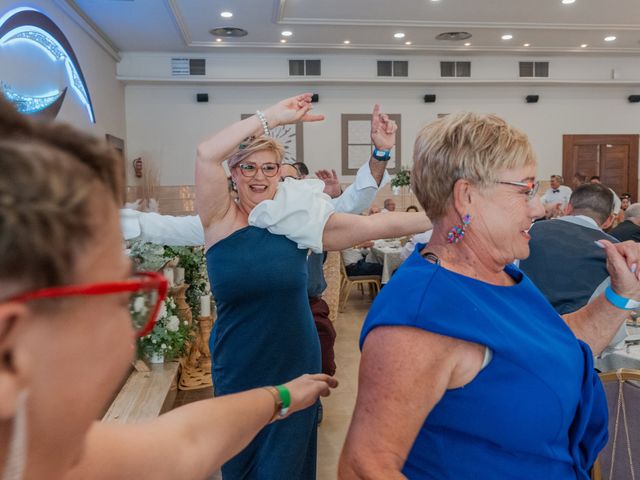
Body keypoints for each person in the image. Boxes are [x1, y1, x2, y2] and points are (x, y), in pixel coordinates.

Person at [0, 98, 338, 480]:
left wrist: (284, 397)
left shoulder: (59, 452)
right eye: (118, 304)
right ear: (11, 345)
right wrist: (269, 118)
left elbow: (188, 440)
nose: (129, 344)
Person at [339, 111, 640, 479]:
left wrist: (620, 295)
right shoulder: (423, 316)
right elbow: (365, 466)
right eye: (525, 190)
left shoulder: (502, 275)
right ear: (467, 196)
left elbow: (553, 345)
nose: (539, 207)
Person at [196, 93, 429, 479]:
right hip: (239, 363)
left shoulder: (297, 223)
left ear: (279, 172)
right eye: (248, 167)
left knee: (285, 469)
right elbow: (206, 153)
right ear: (232, 174)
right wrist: (271, 116)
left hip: (294, 359)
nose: (258, 176)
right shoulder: (218, 220)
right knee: (239, 464)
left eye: (269, 168)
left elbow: (373, 226)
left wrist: (444, 214)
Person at [519, 183, 618, 315]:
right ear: (609, 220)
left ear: (568, 208)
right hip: (577, 330)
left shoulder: (532, 230)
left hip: (521, 319)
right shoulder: (614, 250)